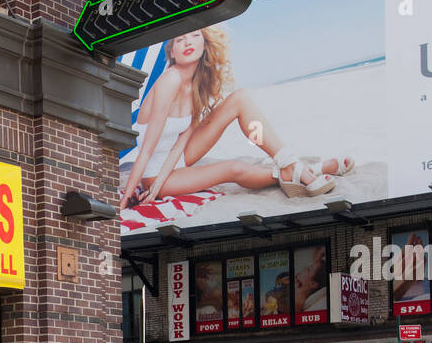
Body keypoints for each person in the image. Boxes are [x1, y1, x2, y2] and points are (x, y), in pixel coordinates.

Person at [119, 27, 352, 210]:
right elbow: (147, 149)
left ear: (204, 42)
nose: (188, 42)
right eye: (180, 40)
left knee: (239, 99)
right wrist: (142, 191)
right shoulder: (170, 81)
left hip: (178, 156)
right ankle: (310, 170)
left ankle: (289, 163)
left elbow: (181, 140)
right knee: (234, 169)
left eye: (194, 35)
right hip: (155, 174)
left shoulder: (198, 84)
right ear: (171, 51)